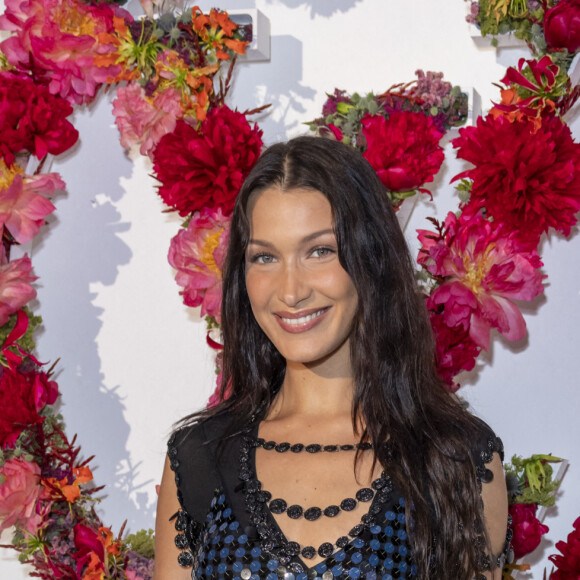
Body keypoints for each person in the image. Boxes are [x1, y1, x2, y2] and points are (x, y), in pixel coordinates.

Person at [154, 136, 510, 580]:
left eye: (319, 251)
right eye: (264, 257)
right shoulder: (197, 456)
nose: (290, 291)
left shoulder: (456, 458)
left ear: (371, 259)